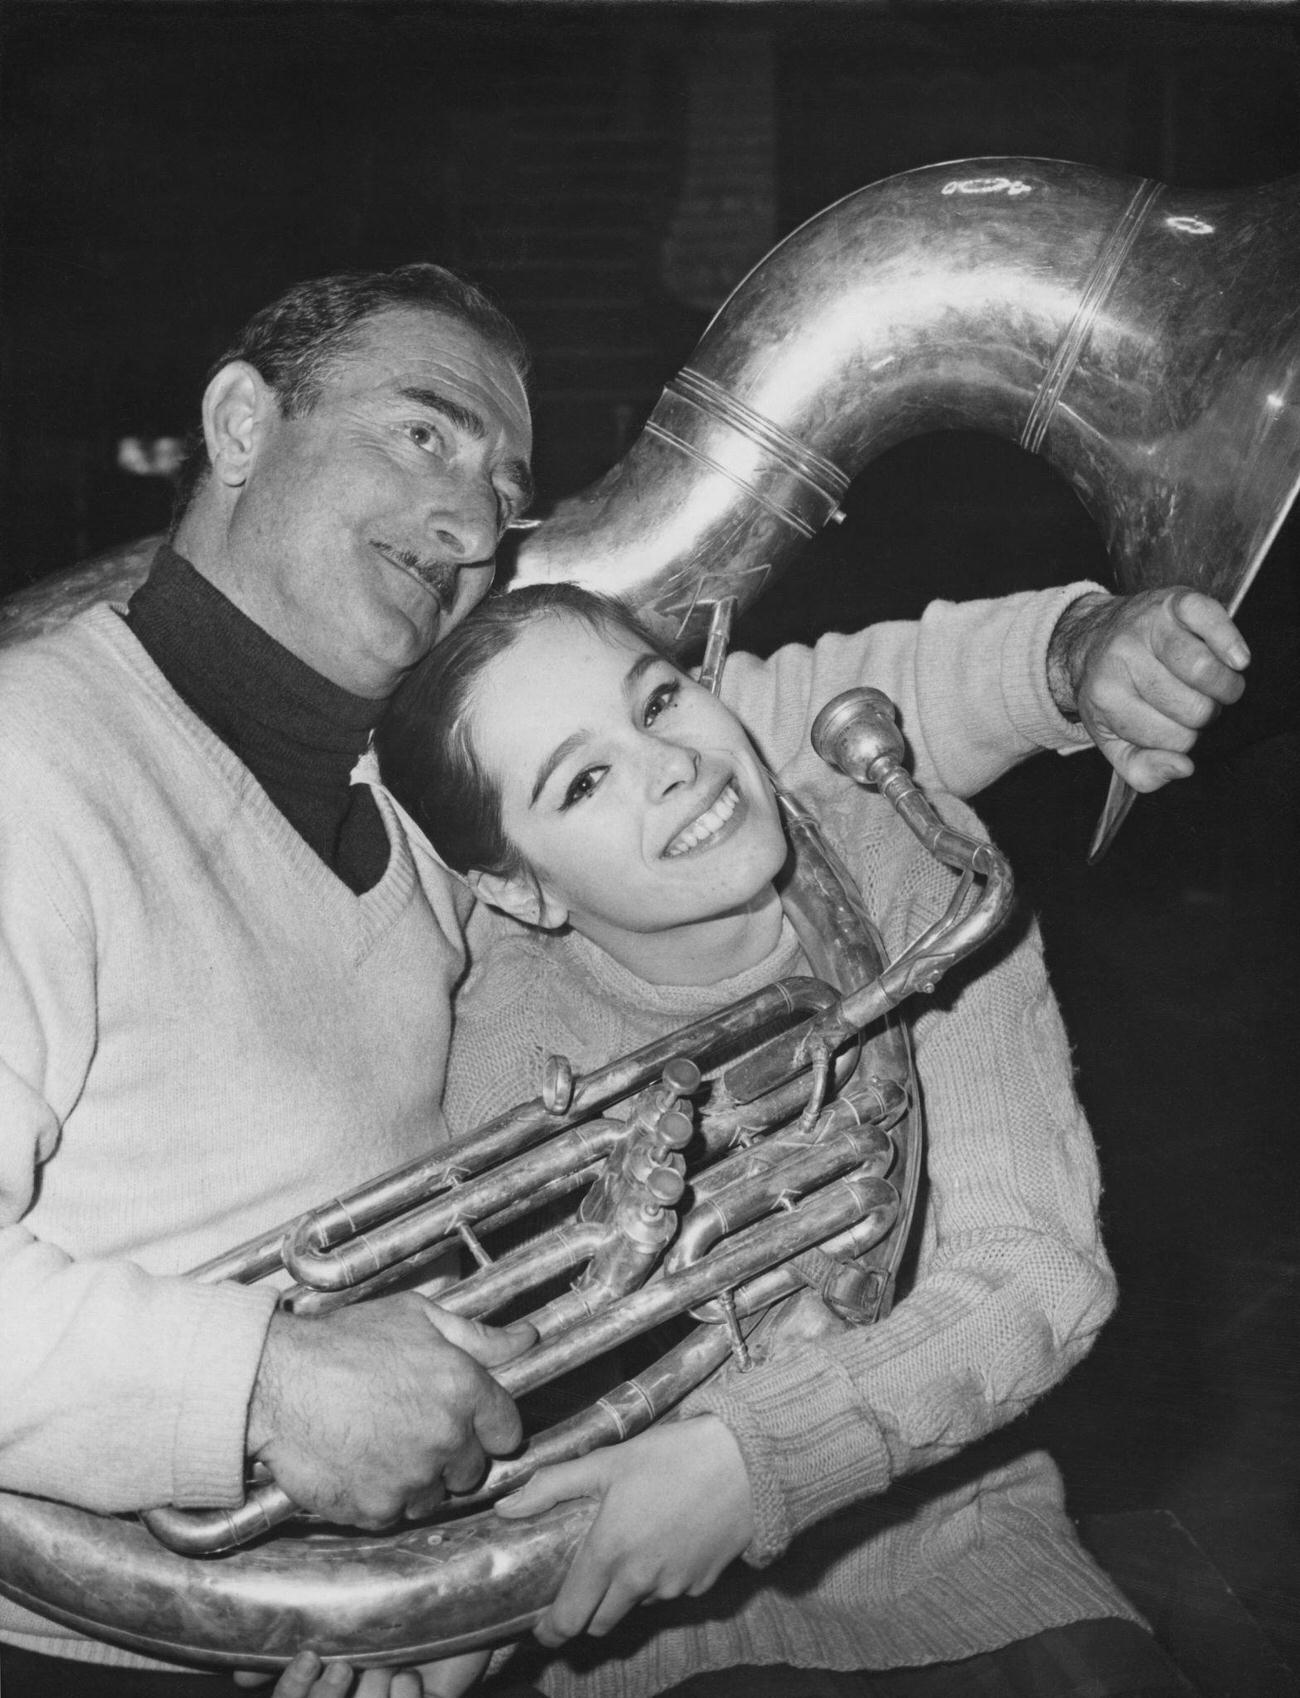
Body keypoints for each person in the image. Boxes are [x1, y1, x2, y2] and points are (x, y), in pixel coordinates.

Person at [0, 260, 1244, 1698]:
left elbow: (739, 738)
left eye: (504, 484)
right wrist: (266, 1384)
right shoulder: (34, 758)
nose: (473, 519)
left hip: (358, 1609)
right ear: (236, 426)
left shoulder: (400, 797)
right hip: (84, 1640)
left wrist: (1071, 656)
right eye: (423, 433)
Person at [367, 581, 1197, 1698]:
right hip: (632, 1632)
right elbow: (496, 1416)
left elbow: (1035, 1270)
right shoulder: (503, 1053)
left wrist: (750, 1464)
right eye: (584, 779)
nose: (670, 764)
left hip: (955, 1551)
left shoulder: (915, 869)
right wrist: (435, 1619)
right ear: (518, 889)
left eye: (658, 701)